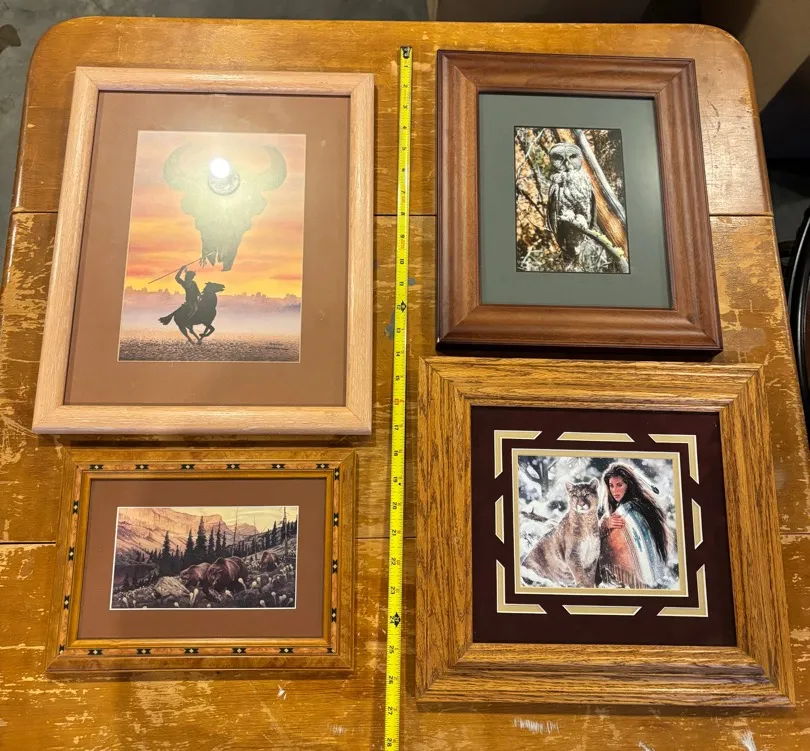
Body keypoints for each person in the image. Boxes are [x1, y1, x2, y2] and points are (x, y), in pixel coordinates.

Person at [599, 462, 669, 589]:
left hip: (637, 580)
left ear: (629, 485)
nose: (614, 491)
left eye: (619, 485)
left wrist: (604, 525)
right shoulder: (622, 510)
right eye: (611, 486)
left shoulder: (630, 511)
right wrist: (605, 524)